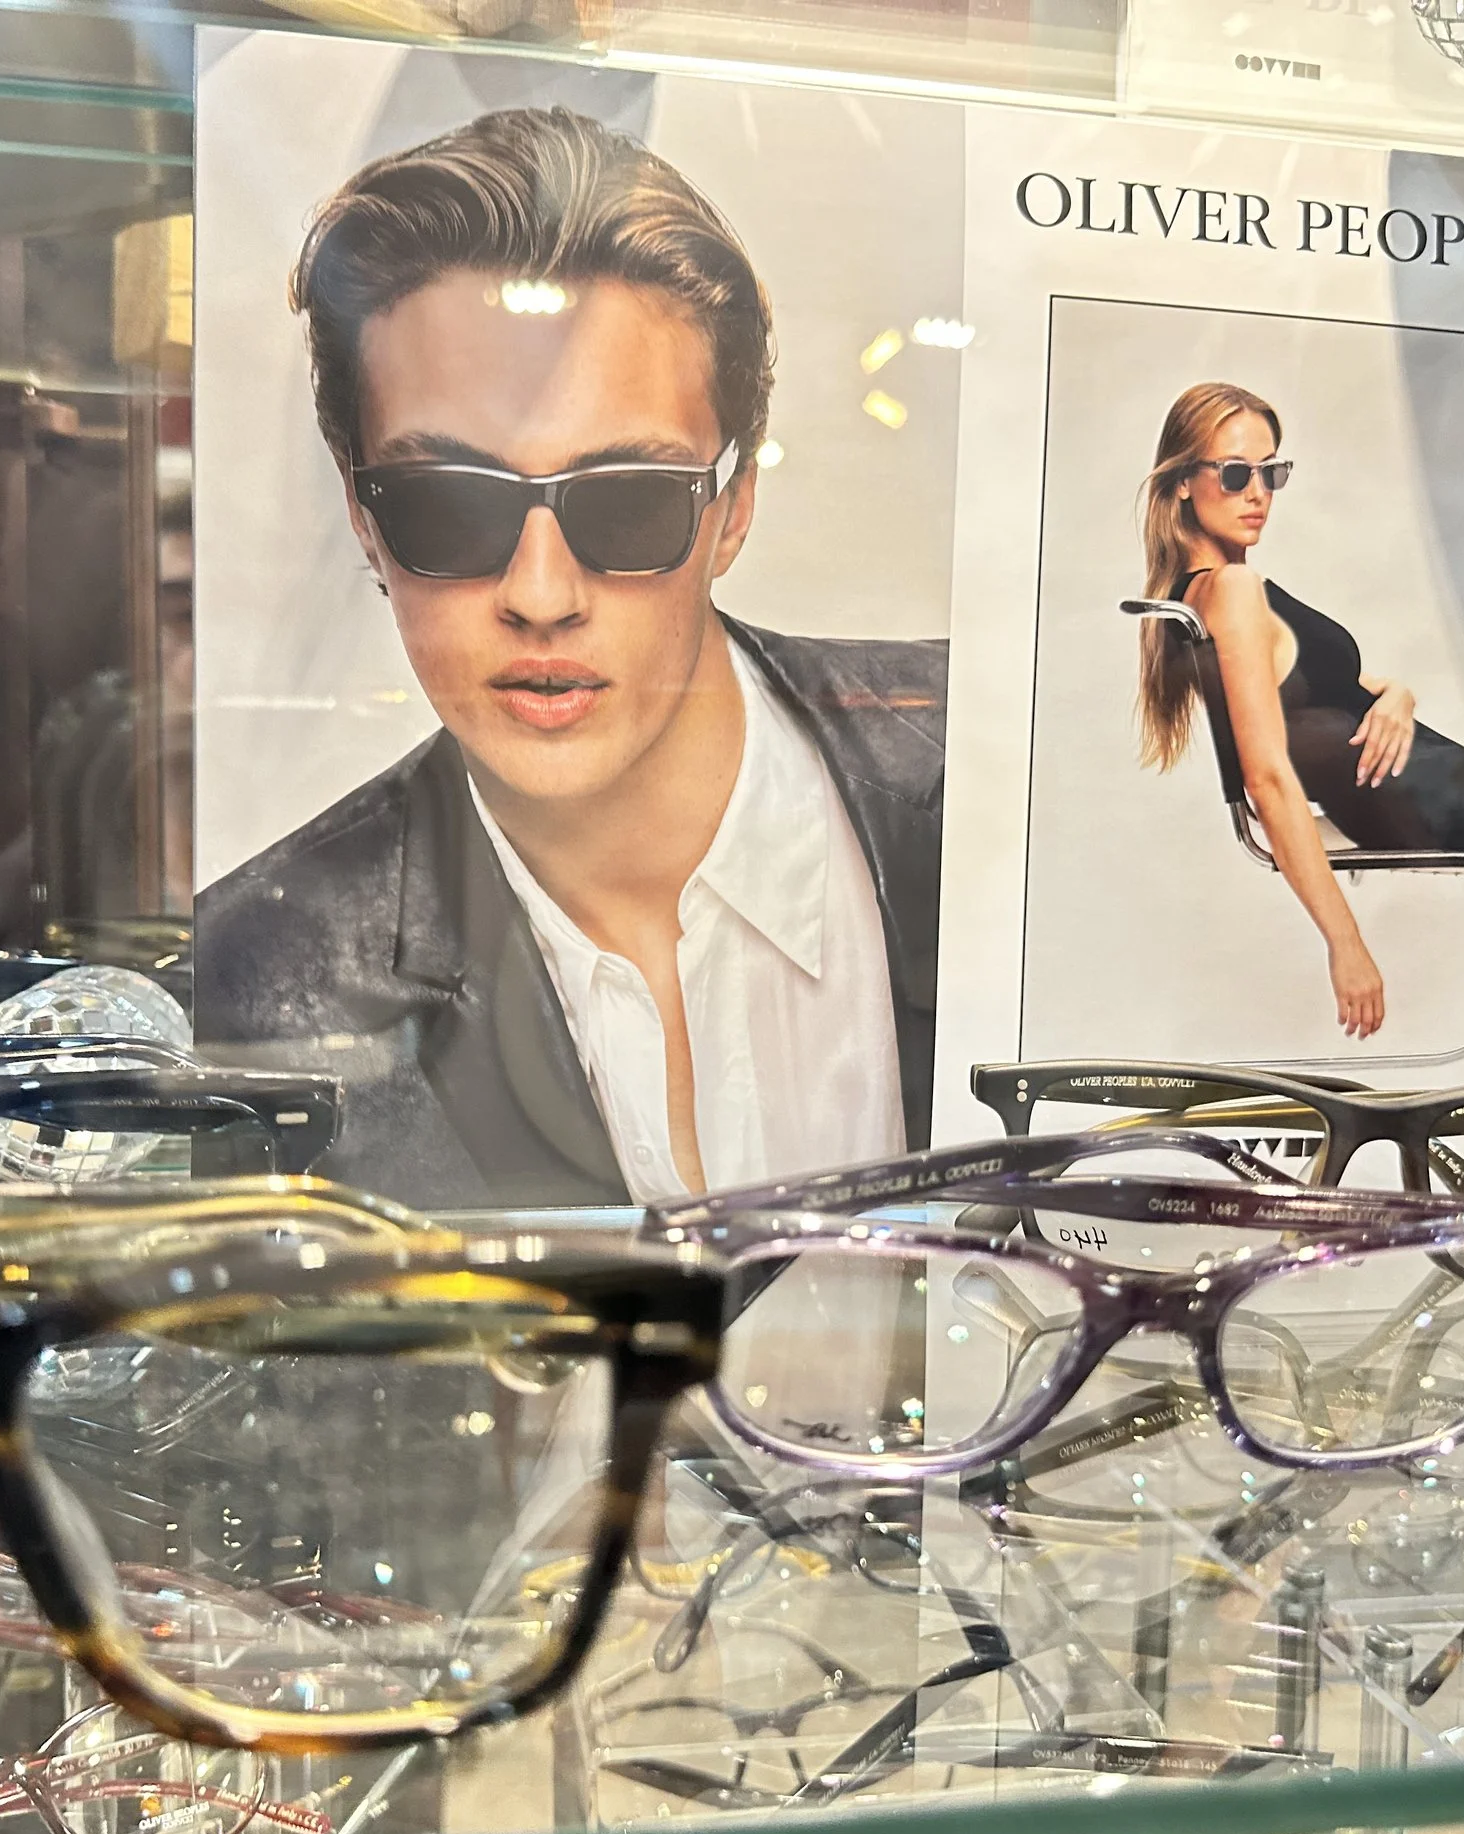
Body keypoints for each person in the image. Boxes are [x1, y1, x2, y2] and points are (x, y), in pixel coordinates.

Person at [196, 106, 946, 1209]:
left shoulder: (985, 767)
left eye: (628, 503)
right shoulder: (248, 981)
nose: (540, 596)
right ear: (365, 520)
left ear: (733, 507)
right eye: (446, 507)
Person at [1134, 382, 1464, 1041]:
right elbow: (1268, 778)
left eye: (1271, 472)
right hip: (1444, 801)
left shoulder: (1214, 594)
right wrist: (1346, 943)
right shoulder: (1231, 590)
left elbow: (1341, 682)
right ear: (1180, 485)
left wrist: (1399, 694)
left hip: (1452, 779)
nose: (1257, 494)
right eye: (1233, 474)